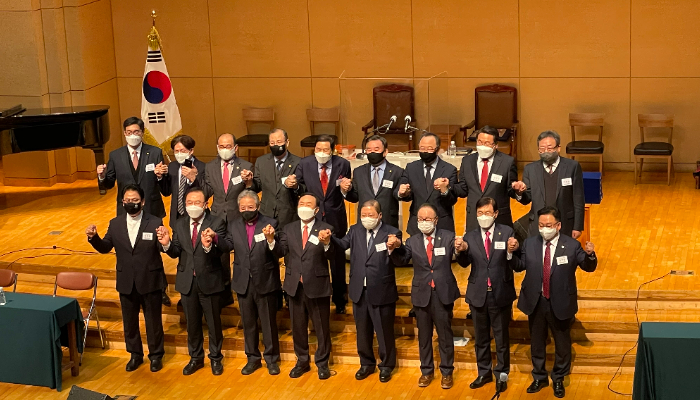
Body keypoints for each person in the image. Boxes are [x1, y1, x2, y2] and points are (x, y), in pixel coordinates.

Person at [509, 206, 597, 398]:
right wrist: (510, 254)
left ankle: (558, 378)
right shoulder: (530, 243)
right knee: (537, 341)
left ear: (558, 226)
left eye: (548, 225)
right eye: (541, 225)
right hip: (536, 300)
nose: (544, 228)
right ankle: (539, 377)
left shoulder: (572, 245)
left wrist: (590, 254)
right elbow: (520, 266)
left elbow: (587, 266)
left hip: (560, 301)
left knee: (562, 343)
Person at [85, 184, 166, 373]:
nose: (131, 203)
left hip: (150, 279)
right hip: (126, 280)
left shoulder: (155, 222)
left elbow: (163, 248)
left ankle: (155, 356)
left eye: (135, 200)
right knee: (129, 322)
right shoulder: (115, 223)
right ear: (122, 202)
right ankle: (135, 355)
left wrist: (166, 241)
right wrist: (93, 238)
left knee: (153, 322)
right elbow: (106, 247)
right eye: (127, 201)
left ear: (143, 202)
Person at [158, 188, 232, 376]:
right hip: (187, 282)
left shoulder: (216, 222)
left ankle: (215, 358)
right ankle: (196, 358)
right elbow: (176, 251)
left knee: (214, 324)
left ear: (205, 204)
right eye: (189, 202)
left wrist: (210, 246)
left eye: (197, 202)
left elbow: (223, 249)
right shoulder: (180, 223)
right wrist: (166, 244)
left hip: (210, 280)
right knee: (192, 324)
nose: (193, 206)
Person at [97, 116, 170, 306]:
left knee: (153, 251)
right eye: (129, 133)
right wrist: (102, 175)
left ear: (142, 132)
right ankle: (131, 286)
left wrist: (161, 177)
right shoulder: (116, 155)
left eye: (136, 132)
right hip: (126, 211)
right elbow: (109, 183)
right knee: (129, 250)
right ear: (124, 134)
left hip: (151, 210)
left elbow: (163, 185)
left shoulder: (154, 152)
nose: (133, 136)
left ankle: (160, 289)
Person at [387, 204, 461, 389]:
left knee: (445, 336)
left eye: (427, 219)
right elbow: (402, 260)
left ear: (435, 220)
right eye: (420, 219)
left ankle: (446, 372)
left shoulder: (448, 237)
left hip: (442, 293)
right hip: (422, 294)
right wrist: (395, 248)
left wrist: (461, 248)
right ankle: (426, 371)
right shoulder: (412, 241)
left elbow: (462, 258)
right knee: (424, 337)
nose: (424, 222)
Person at [331, 200, 401, 383]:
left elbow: (400, 258)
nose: (366, 218)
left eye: (370, 215)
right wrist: (328, 240)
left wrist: (396, 246)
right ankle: (366, 364)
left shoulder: (391, 232)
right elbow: (341, 245)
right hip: (358, 290)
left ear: (379, 215)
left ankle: (386, 366)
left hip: (382, 289)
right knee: (362, 331)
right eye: (363, 215)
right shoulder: (354, 230)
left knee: (384, 332)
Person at [454, 197, 517, 393]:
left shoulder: (506, 232)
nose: (484, 217)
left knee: (501, 339)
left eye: (488, 213)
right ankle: (483, 372)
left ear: (496, 214)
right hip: (478, 293)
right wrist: (461, 251)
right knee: (481, 338)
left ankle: (501, 374)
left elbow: (514, 261)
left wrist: (510, 251)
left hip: (501, 293)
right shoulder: (470, 236)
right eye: (480, 213)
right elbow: (464, 263)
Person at [268, 193, 334, 380]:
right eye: (301, 203)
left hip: (317, 284)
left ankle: (322, 363)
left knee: (322, 327)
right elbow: (281, 252)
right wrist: (271, 240)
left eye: (308, 204)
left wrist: (327, 244)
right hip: (294, 284)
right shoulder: (288, 228)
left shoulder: (326, 228)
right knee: (298, 327)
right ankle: (302, 361)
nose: (304, 206)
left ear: (316, 210)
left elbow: (332, 256)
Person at [285, 134, 351, 314]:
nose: (321, 153)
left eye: (325, 150)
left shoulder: (343, 164)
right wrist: (293, 184)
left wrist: (347, 189)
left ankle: (339, 299)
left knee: (337, 260)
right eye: (318, 150)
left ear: (333, 150)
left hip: (335, 217)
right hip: (312, 217)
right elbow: (298, 185)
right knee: (312, 257)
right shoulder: (305, 164)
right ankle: (314, 295)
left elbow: (346, 189)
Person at [222, 190, 281, 376]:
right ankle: (252, 358)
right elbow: (228, 244)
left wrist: (271, 240)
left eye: (250, 207)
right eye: (243, 207)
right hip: (243, 281)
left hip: (265, 280)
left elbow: (278, 251)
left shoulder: (270, 223)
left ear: (257, 206)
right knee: (248, 323)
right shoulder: (233, 225)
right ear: (238, 208)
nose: (246, 210)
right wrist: (214, 240)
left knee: (268, 323)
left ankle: (271, 359)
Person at [203, 133, 253, 305]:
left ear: (235, 148)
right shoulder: (209, 167)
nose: (224, 149)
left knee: (242, 253)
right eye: (221, 147)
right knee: (221, 255)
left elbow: (251, 192)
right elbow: (207, 191)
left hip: (238, 216)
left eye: (228, 146)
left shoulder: (246, 166)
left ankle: (243, 289)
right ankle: (224, 292)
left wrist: (249, 183)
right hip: (217, 216)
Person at [454, 126, 527, 232]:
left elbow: (510, 189)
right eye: (480, 142)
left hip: (499, 219)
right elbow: (463, 189)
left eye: (487, 143)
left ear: (496, 145)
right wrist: (448, 187)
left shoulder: (507, 162)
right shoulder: (467, 161)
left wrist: (518, 191)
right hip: (474, 219)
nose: (483, 146)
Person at [520, 130, 585, 239]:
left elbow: (578, 198)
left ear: (558, 148)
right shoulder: (530, 169)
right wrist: (519, 192)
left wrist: (577, 226)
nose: (546, 151)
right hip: (538, 225)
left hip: (564, 224)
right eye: (542, 149)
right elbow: (526, 199)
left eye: (550, 148)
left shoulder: (572, 167)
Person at [398, 132, 458, 236]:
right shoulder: (411, 168)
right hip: (417, 224)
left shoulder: (449, 170)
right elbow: (401, 193)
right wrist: (404, 193)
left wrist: (444, 190)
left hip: (442, 225)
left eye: (429, 148)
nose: (425, 151)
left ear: (438, 149)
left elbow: (452, 200)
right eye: (422, 148)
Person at [340, 135, 404, 228]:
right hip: (365, 222)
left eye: (376, 149)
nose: (372, 152)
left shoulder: (397, 171)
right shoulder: (359, 171)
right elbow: (354, 197)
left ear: (385, 152)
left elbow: (399, 195)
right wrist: (346, 190)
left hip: (388, 222)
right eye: (369, 150)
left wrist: (402, 192)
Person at [250, 128, 302, 228]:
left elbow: (304, 189)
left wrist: (295, 186)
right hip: (266, 214)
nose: (275, 145)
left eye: (279, 142)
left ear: (287, 142)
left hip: (289, 215)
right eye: (272, 143)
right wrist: (249, 182)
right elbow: (257, 186)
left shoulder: (298, 162)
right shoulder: (261, 161)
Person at [160, 135, 206, 228]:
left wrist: (193, 179)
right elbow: (166, 192)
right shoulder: (172, 166)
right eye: (176, 151)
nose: (179, 154)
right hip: (176, 216)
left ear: (191, 151)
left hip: (195, 214)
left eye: (183, 151)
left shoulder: (202, 167)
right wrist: (160, 177)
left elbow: (206, 192)